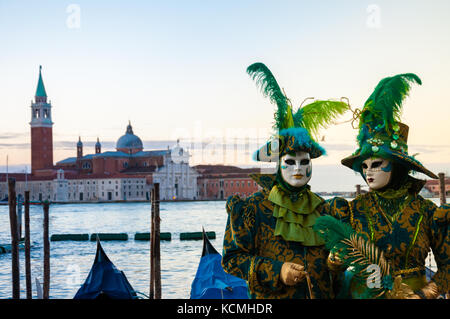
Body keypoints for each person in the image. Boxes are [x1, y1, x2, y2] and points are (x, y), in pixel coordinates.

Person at [221, 62, 348, 298]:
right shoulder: (252, 209)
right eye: (290, 162)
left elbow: (335, 267)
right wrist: (277, 271)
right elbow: (232, 259)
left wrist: (336, 262)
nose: (298, 168)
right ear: (278, 165)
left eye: (304, 162)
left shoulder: (324, 209)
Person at [326, 73, 449, 299]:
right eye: (364, 165)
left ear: (396, 165)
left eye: (376, 164)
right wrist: (334, 262)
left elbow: (448, 266)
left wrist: (426, 293)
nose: (368, 171)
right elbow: (331, 272)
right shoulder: (351, 211)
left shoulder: (428, 211)